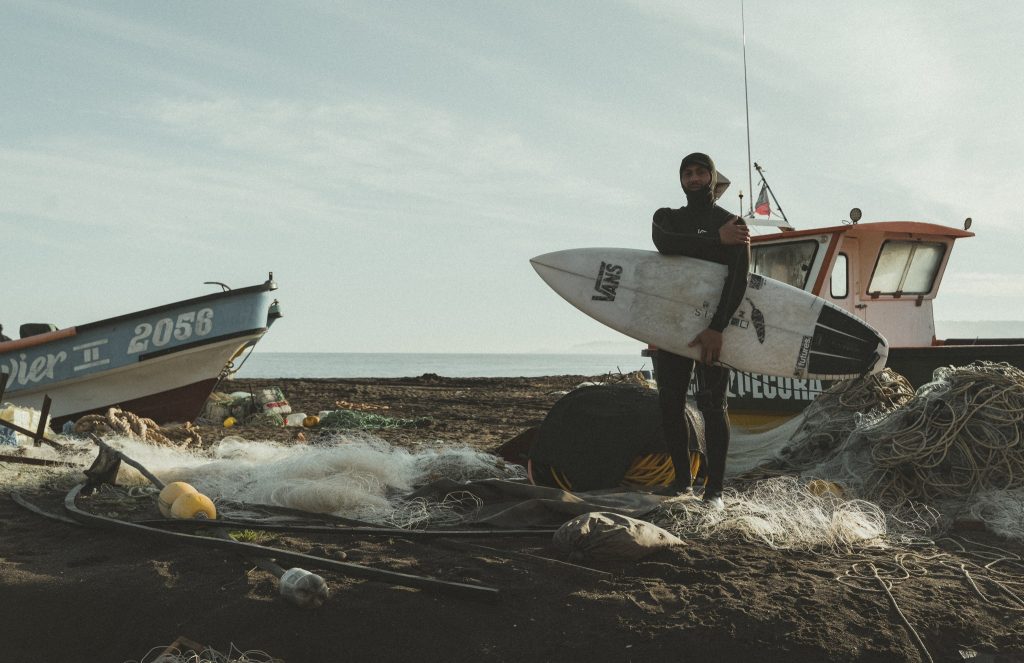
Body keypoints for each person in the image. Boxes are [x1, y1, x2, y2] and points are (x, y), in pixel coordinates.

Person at [651, 152, 750, 507]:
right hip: (674, 325)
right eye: (687, 173)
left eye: (700, 172)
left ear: (712, 177)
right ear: (681, 180)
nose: (693, 179)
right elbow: (665, 242)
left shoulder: (733, 223)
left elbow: (737, 280)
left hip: (712, 327)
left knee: (712, 404)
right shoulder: (667, 218)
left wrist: (717, 328)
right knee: (670, 402)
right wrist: (714, 241)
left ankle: (715, 491)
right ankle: (682, 483)